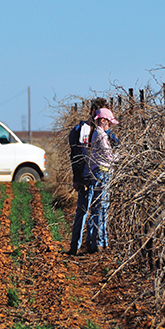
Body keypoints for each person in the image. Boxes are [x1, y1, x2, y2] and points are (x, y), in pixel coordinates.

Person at [66, 98, 108, 256]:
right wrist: (76, 178)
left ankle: (95, 245)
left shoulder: (103, 131)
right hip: (85, 177)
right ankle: (74, 247)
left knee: (99, 210)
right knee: (83, 211)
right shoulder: (80, 131)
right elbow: (76, 156)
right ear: (94, 113)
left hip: (100, 176)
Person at [87, 107, 119, 253]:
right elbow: (108, 156)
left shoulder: (95, 134)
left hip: (98, 172)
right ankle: (101, 243)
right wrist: (122, 157)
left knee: (97, 207)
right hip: (103, 172)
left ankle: (95, 242)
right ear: (103, 121)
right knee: (102, 208)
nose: (110, 126)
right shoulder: (101, 135)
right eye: (109, 123)